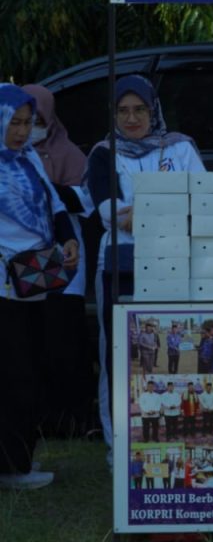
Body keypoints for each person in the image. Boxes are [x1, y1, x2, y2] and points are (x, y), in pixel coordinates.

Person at [85, 76, 204, 446]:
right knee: (118, 355)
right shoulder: (104, 153)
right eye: (123, 111)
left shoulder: (181, 148)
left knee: (176, 351)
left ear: (154, 111)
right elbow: (112, 212)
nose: (132, 118)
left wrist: (142, 212)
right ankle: (117, 444)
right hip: (122, 268)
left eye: (140, 109)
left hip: (177, 265)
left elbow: (200, 202)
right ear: (113, 114)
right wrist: (165, 211)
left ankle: (172, 436)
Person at [0, 85, 80, 490]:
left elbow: (56, 204)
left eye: (27, 123)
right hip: (2, 286)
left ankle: (16, 463)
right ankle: (11, 467)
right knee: (13, 375)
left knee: (31, 372)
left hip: (34, 277)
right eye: (13, 122)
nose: (21, 131)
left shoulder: (27, 157)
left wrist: (68, 239)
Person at [20, 84, 95, 437]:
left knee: (65, 340)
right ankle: (40, 417)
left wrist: (52, 190)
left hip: (63, 258)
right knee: (34, 339)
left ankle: (72, 418)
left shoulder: (67, 152)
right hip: (25, 261)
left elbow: (88, 199)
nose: (30, 126)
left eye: (37, 118)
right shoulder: (11, 155)